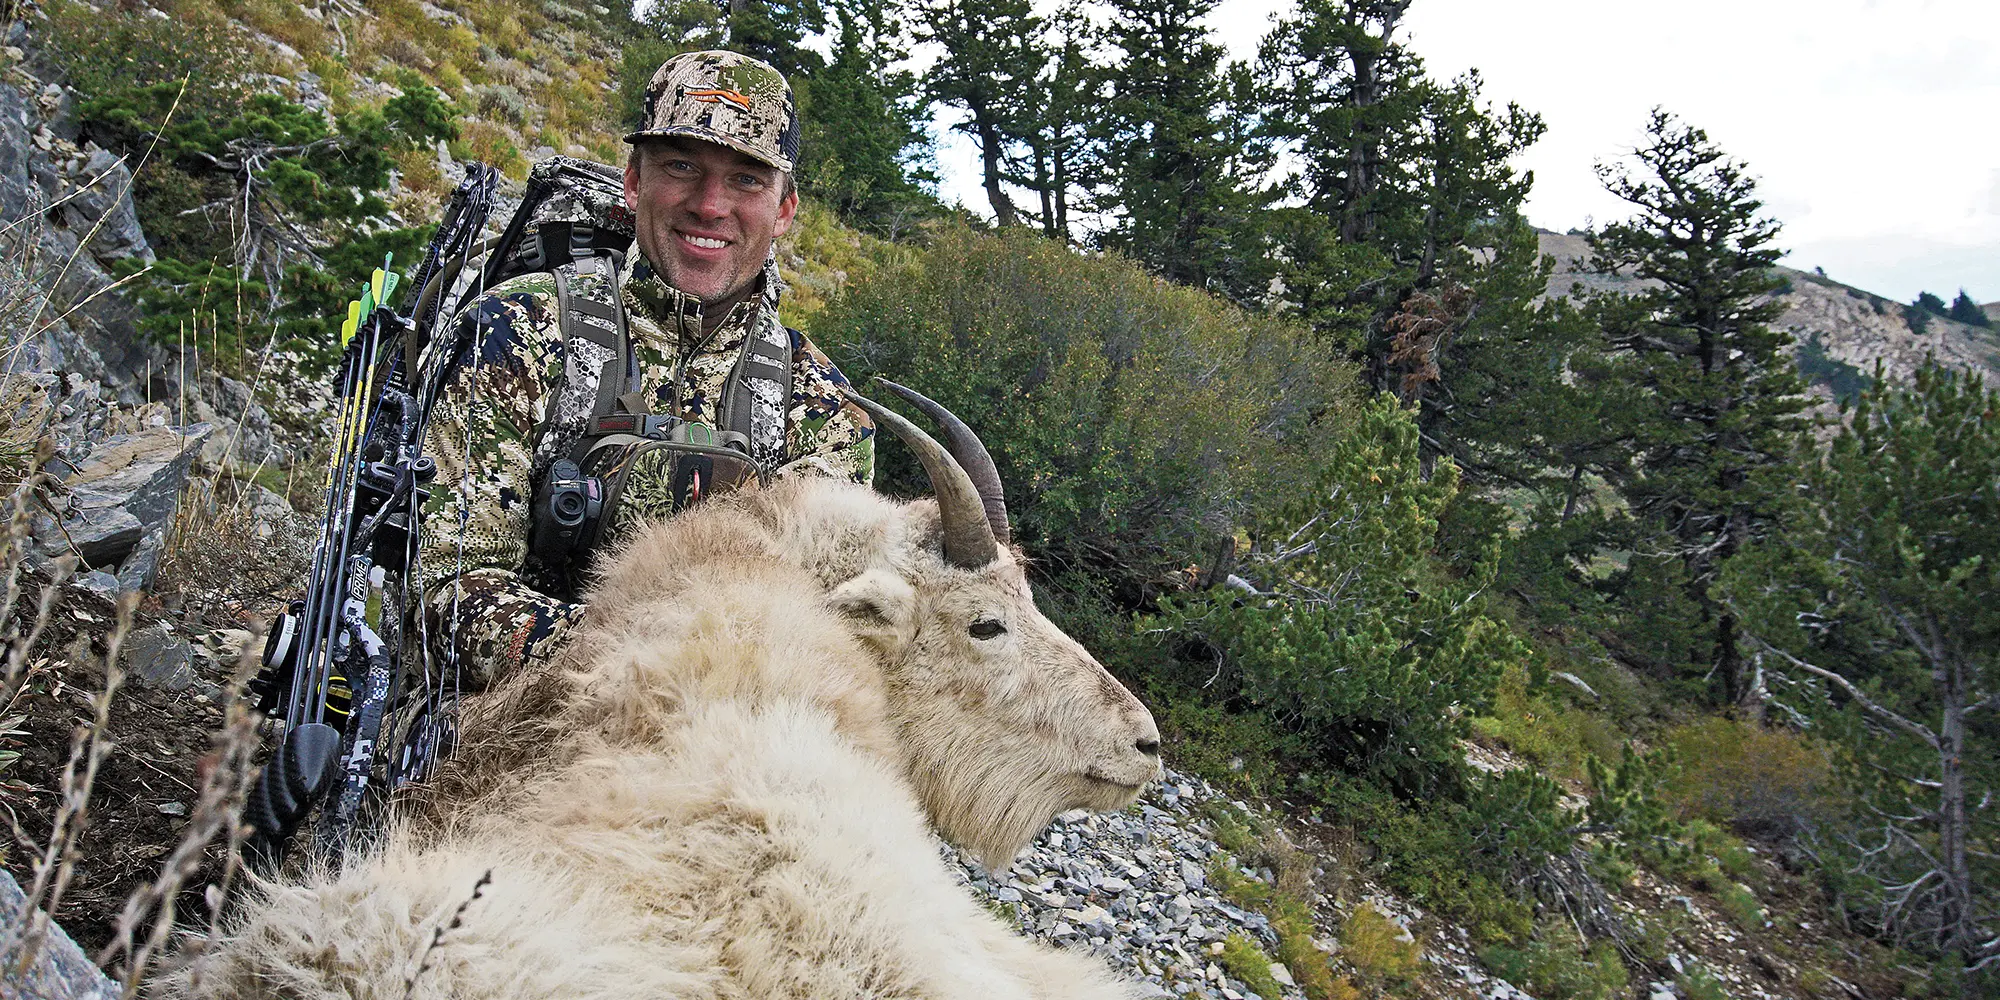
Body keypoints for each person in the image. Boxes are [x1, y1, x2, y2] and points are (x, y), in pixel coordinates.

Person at [418, 51, 875, 690]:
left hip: (723, 742)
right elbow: (442, 580)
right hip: (511, 729)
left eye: (747, 180)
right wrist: (635, 670)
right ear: (634, 182)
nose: (710, 205)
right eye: (681, 165)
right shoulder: (515, 331)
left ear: (784, 210)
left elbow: (837, 637)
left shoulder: (823, 410)